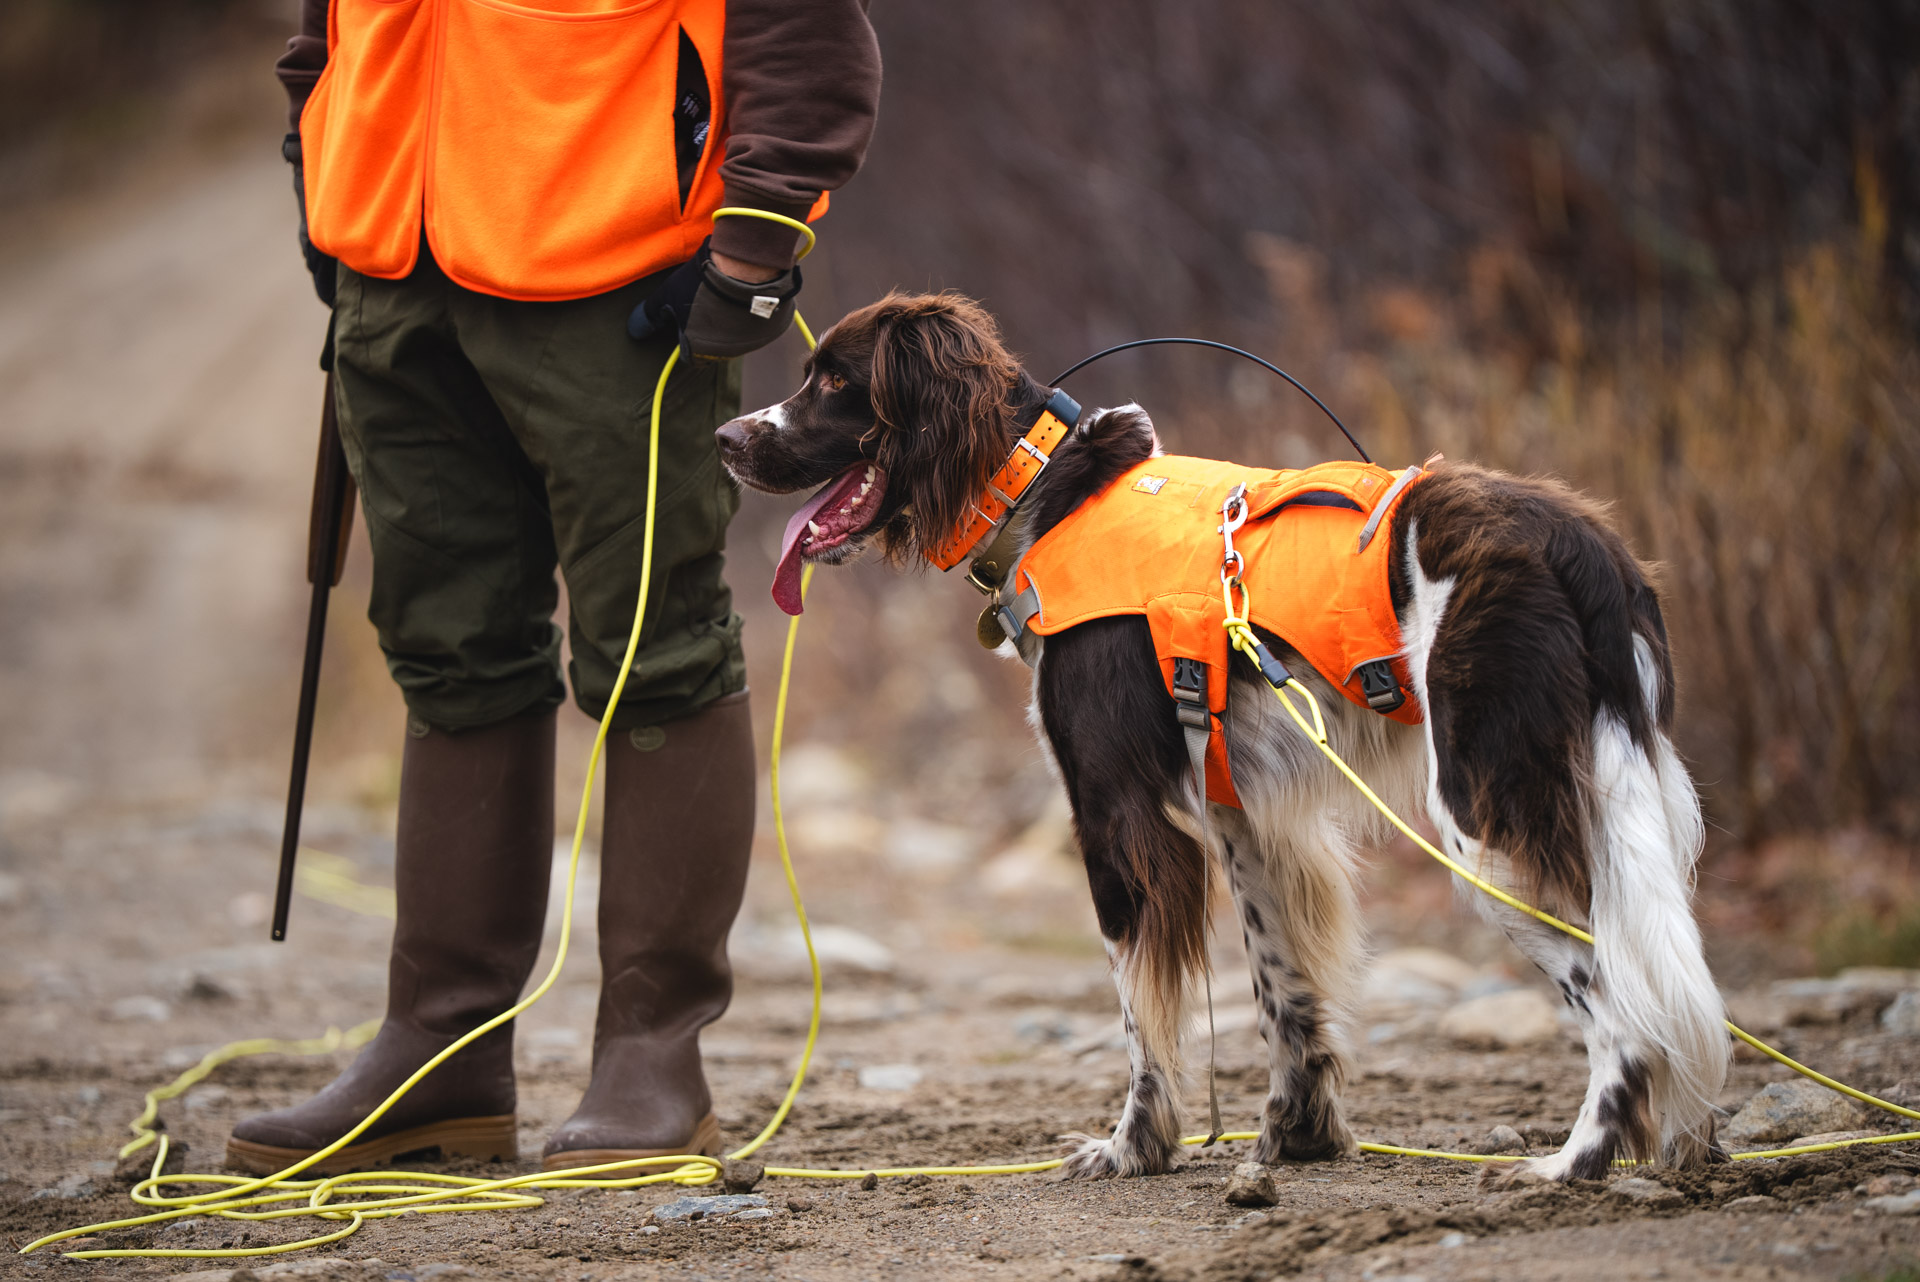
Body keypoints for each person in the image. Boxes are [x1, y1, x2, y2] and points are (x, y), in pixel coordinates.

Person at [225, 0, 881, 1176]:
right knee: (447, 644)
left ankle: (653, 1057)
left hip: (612, 267)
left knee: (656, 647)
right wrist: (313, 142)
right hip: (387, 255)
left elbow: (802, 25)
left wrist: (755, 240)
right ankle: (439, 1052)